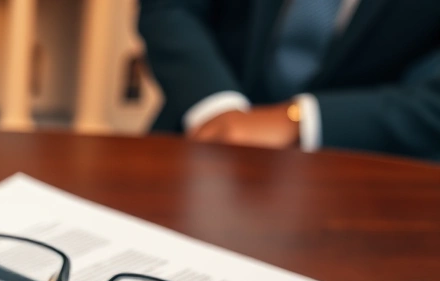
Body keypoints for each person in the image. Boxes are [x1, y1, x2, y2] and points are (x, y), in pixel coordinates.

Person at [138, 0, 440, 161]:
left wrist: (297, 120)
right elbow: (170, 8)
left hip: (364, 177)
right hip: (198, 141)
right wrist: (220, 112)